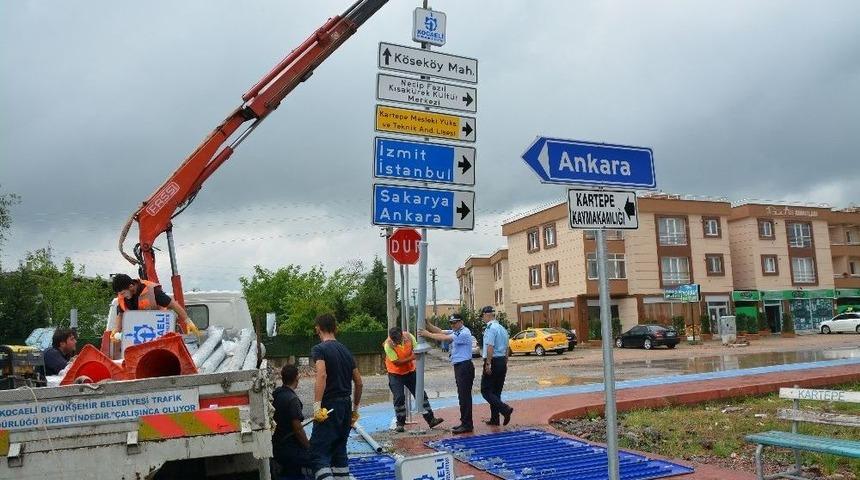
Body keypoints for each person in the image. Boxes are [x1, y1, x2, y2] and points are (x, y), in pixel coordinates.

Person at [309, 313, 363, 480]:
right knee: (339, 452)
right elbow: (359, 382)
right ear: (336, 328)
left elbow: (322, 375)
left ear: (318, 328)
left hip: (328, 407)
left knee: (318, 454)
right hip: (345, 407)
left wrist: (317, 406)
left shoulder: (319, 349)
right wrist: (354, 411)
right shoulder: (346, 351)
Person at [419, 313, 475, 434]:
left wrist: (427, 334)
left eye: (455, 322)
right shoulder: (457, 331)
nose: (453, 325)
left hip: (464, 366)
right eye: (451, 323)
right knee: (462, 396)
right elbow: (440, 331)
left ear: (461, 322)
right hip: (460, 366)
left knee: (464, 397)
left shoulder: (464, 332)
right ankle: (465, 422)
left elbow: (444, 338)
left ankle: (467, 424)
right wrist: (428, 325)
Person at [383, 326, 444, 432]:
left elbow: (417, 349)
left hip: (410, 371)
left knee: (420, 394)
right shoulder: (388, 344)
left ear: (401, 336)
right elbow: (396, 362)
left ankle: (431, 420)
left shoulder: (409, 337)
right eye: (394, 340)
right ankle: (400, 424)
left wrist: (416, 354)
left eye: (397, 340)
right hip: (395, 374)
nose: (396, 342)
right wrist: (412, 358)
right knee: (399, 397)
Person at [109, 274, 199, 340]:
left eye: (123, 293)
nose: (122, 296)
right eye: (120, 294)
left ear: (131, 286)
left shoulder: (152, 291)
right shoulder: (123, 296)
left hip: (159, 332)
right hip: (137, 335)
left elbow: (173, 305)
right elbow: (120, 314)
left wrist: (188, 321)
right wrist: (116, 330)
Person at [272, 364, 313, 477]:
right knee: (319, 459)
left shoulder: (276, 394)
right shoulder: (293, 400)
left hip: (276, 446)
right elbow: (298, 429)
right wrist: (309, 447)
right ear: (297, 378)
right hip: (289, 449)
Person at [479, 306, 513, 426]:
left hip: (493, 360)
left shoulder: (490, 328)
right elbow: (507, 348)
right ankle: (495, 419)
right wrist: (505, 362)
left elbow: (490, 347)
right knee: (496, 392)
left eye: (482, 316)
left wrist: (488, 363)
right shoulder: (502, 328)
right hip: (502, 361)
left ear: (487, 315)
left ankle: (505, 409)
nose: (482, 318)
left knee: (485, 391)